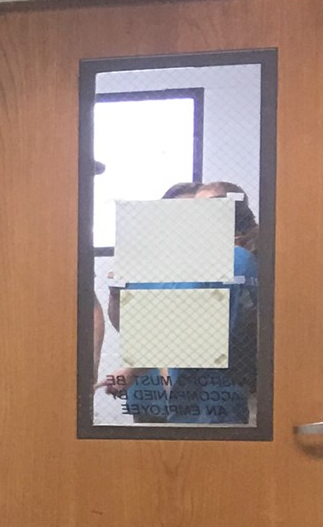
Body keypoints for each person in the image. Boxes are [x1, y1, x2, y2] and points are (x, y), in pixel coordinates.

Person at [105, 180, 259, 425]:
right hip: (167, 398)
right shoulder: (155, 263)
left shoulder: (233, 261)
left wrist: (131, 371)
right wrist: (116, 294)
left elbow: (198, 335)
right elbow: (133, 330)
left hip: (209, 402)